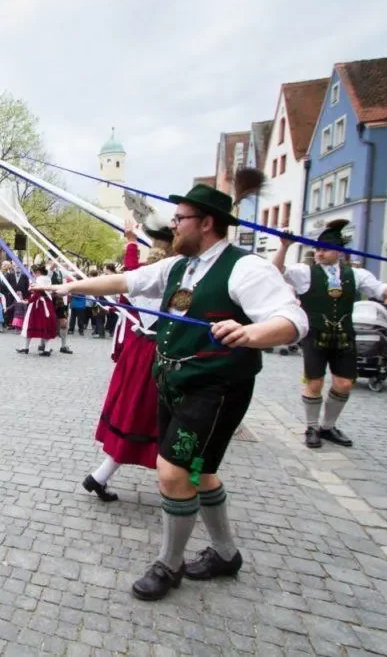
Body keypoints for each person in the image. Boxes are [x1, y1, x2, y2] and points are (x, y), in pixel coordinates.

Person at [51, 183, 307, 601]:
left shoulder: (246, 268)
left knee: (172, 474)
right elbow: (129, 280)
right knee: (199, 472)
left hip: (215, 388)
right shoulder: (178, 268)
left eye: (180, 219)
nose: (173, 226)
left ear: (206, 223)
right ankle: (226, 554)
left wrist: (251, 331)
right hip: (173, 384)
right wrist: (71, 288)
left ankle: (168, 566)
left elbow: (292, 319)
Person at [272, 221, 387, 449]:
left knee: (343, 384)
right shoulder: (305, 272)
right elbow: (276, 271)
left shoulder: (357, 274)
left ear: (340, 252)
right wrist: (284, 246)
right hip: (315, 335)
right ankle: (312, 427)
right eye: (317, 248)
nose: (319, 253)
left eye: (324, 249)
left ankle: (328, 426)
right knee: (314, 383)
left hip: (344, 336)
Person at [82, 217, 175, 502]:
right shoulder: (173, 277)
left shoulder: (142, 273)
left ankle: (99, 477)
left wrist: (131, 239)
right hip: (156, 354)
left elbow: (130, 272)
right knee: (150, 419)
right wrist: (132, 240)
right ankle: (183, 486)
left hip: (137, 352)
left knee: (137, 416)